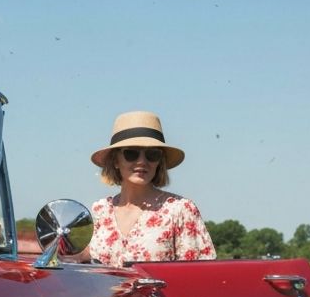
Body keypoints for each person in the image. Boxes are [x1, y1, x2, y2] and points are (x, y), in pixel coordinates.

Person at [87, 110, 215, 266]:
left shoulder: (180, 210)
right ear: (115, 161)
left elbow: (198, 276)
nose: (142, 161)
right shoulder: (99, 211)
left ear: (159, 161)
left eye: (152, 154)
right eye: (131, 154)